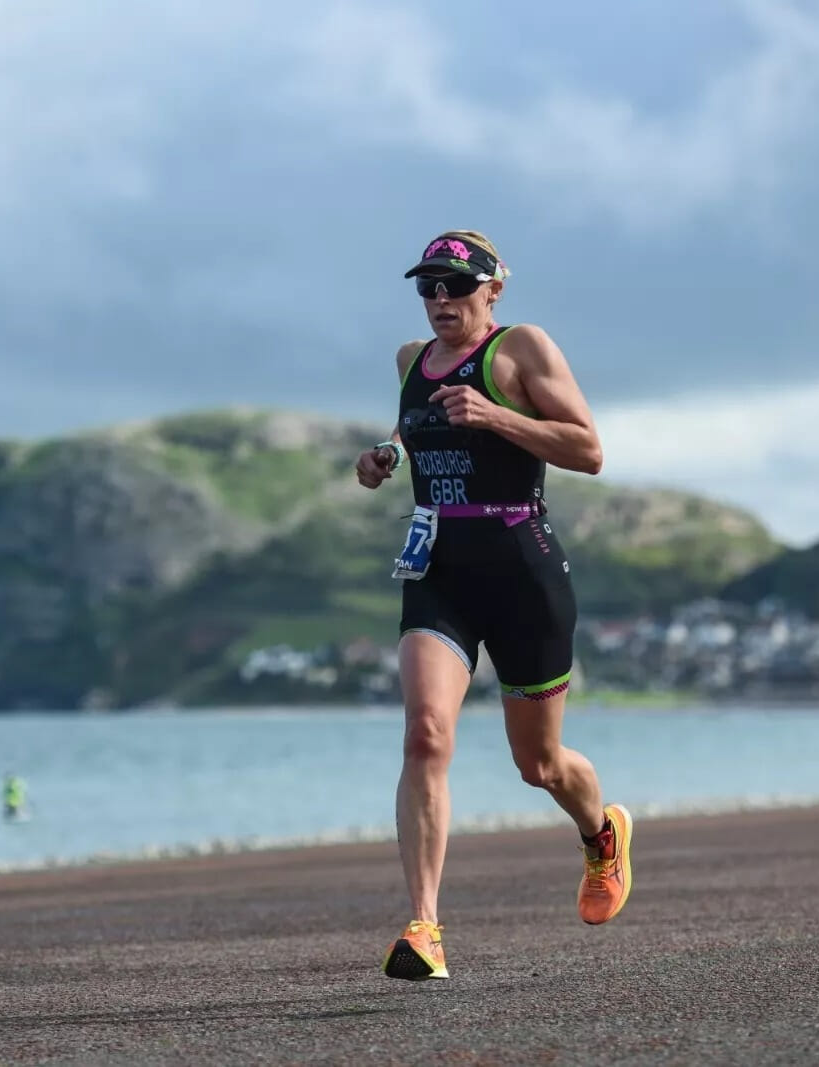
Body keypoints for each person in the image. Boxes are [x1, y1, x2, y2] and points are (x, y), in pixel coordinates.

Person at [354, 230, 631, 982]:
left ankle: (601, 833)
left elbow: (588, 449)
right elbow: (415, 436)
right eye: (428, 287)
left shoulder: (522, 350)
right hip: (438, 567)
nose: (441, 298)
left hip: (521, 569)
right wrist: (381, 462)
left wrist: (496, 416)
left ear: (492, 289)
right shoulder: (411, 361)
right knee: (425, 734)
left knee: (538, 763)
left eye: (455, 285)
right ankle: (425, 928)